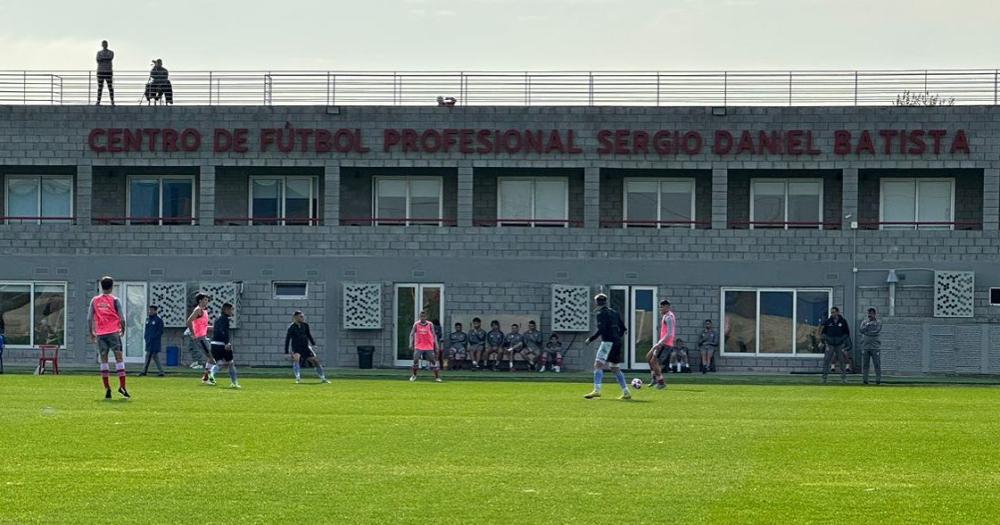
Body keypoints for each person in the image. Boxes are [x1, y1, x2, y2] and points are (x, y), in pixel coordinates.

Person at [88, 276, 129, 399]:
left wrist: (91, 332)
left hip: (101, 334)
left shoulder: (94, 300)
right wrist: (123, 329)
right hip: (113, 332)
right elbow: (122, 318)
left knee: (104, 360)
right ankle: (122, 386)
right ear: (111, 287)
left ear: (101, 286)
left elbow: (89, 318)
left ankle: (107, 388)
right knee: (119, 359)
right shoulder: (115, 300)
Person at [584, 294, 631, 400]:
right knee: (615, 368)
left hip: (607, 343)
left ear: (596, 302)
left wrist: (591, 339)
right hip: (617, 342)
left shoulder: (600, 314)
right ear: (605, 302)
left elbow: (602, 330)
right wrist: (616, 338)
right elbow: (623, 328)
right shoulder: (614, 312)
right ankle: (626, 391)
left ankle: (597, 390)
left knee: (598, 365)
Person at [284, 311, 329, 384]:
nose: (302, 318)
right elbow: (287, 339)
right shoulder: (291, 328)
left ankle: (323, 378)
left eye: (303, 316)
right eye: (300, 316)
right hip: (296, 347)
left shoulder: (305, 325)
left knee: (315, 361)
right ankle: (298, 378)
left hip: (305, 347)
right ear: (295, 317)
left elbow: (309, 335)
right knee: (296, 359)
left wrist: (313, 344)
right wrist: (286, 352)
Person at [208, 303, 241, 389]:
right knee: (231, 363)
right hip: (222, 344)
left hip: (214, 344)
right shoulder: (225, 319)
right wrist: (226, 343)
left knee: (220, 364)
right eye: (231, 309)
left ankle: (211, 375)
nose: (232, 311)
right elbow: (223, 332)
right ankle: (234, 383)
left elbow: (216, 330)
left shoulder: (217, 318)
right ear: (226, 310)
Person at [646, 299, 674, 389]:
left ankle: (661, 383)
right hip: (662, 342)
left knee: (654, 362)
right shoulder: (666, 315)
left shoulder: (669, 317)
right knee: (649, 357)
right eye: (660, 307)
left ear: (667, 307)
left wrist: (660, 343)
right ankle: (655, 379)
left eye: (662, 307)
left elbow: (670, 333)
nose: (660, 309)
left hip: (665, 344)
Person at [187, 294, 215, 385]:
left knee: (211, 358)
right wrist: (193, 334)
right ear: (200, 301)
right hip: (200, 338)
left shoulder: (204, 311)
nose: (207, 301)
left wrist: (215, 328)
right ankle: (206, 378)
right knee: (211, 358)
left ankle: (206, 377)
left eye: (207, 300)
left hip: (203, 337)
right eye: (205, 300)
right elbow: (189, 321)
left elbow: (204, 326)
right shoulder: (198, 310)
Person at [820, 306, 851, 384]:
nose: (832, 313)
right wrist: (825, 341)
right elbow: (823, 332)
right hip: (830, 344)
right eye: (831, 312)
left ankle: (844, 378)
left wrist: (842, 340)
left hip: (839, 344)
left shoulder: (843, 321)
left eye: (834, 312)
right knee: (826, 360)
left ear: (837, 312)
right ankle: (824, 378)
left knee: (841, 361)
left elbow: (847, 333)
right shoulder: (828, 321)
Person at [409, 310, 441, 382]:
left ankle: (437, 377)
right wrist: (411, 343)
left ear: (426, 317)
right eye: (421, 316)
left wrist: (436, 344)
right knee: (415, 359)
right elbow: (411, 334)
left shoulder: (430, 324)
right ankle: (414, 375)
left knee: (433, 360)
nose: (422, 318)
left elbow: (434, 335)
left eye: (424, 316)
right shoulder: (416, 324)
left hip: (428, 345)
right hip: (419, 345)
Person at [139, 305, 165, 377]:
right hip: (149, 341)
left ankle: (145, 371)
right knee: (151, 356)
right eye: (149, 310)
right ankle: (159, 371)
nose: (150, 311)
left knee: (151, 355)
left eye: (152, 310)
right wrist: (146, 337)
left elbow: (160, 331)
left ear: (155, 311)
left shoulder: (158, 320)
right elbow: (146, 330)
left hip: (155, 341)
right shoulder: (148, 319)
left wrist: (154, 338)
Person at [860, 308, 883, 385]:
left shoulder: (878, 322)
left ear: (874, 314)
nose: (870, 315)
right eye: (869, 313)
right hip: (865, 346)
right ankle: (865, 380)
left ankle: (878, 380)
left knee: (877, 364)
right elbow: (861, 330)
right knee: (865, 364)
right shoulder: (864, 322)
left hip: (875, 347)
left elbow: (876, 331)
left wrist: (867, 332)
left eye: (871, 313)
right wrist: (867, 325)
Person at [95, 40, 114, 106]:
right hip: (100, 71)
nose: (104, 45)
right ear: (102, 45)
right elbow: (98, 60)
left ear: (107, 45)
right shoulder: (99, 53)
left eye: (105, 44)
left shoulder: (111, 52)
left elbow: (110, 58)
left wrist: (102, 59)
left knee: (110, 87)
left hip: (108, 71)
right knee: (100, 87)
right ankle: (98, 101)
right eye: (103, 44)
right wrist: (105, 59)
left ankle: (112, 101)